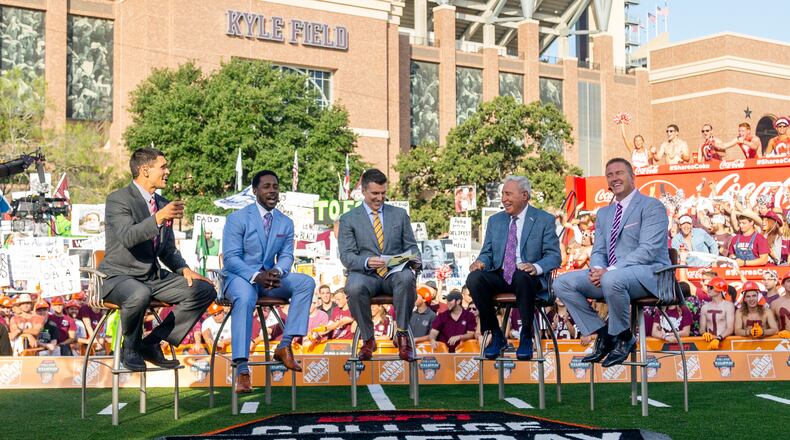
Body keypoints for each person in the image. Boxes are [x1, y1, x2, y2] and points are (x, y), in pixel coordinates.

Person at [99, 148, 215, 372]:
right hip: (118, 277)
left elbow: (167, 250)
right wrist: (159, 217)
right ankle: (130, 347)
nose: (168, 171)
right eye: (163, 167)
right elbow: (128, 236)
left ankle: (151, 344)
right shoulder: (118, 199)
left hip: (152, 277)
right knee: (138, 293)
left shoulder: (162, 203)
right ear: (144, 170)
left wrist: (183, 269)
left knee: (204, 290)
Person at [554, 158, 670, 367]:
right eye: (610, 175)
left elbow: (648, 250)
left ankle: (623, 338)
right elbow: (598, 250)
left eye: (619, 173)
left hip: (649, 275)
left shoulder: (652, 206)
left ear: (632, 176)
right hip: (612, 276)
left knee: (612, 279)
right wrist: (598, 269)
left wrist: (609, 270)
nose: (614, 178)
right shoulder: (605, 213)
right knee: (561, 283)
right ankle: (607, 335)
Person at [221, 170, 315, 392]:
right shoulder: (237, 218)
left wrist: (278, 272)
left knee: (306, 283)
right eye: (266, 187)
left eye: (275, 186)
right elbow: (231, 258)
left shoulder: (286, 222)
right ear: (255, 191)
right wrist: (256, 276)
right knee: (244, 297)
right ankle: (242, 369)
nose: (272, 191)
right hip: (240, 278)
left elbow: (287, 256)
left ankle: (285, 346)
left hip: (270, 280)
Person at [466, 175, 561, 361]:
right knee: (474, 279)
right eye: (502, 194)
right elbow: (487, 252)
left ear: (524, 195)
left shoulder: (544, 219)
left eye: (508, 194)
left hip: (528, 278)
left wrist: (536, 267)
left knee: (522, 275)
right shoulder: (496, 221)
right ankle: (496, 334)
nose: (503, 199)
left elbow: (554, 256)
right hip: (500, 275)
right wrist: (481, 261)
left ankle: (526, 335)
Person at [338, 168, 421, 361]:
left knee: (407, 277)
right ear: (364, 191)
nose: (380, 198)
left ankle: (401, 335)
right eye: (375, 193)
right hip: (365, 274)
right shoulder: (348, 219)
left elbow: (413, 248)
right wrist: (366, 261)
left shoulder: (399, 215)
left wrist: (414, 260)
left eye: (383, 193)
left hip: (395, 273)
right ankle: (368, 338)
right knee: (354, 286)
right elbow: (346, 256)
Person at [699, 277, 735, 350]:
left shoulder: (729, 306)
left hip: (724, 343)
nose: (708, 289)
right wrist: (704, 333)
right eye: (708, 287)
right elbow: (702, 328)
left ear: (719, 289)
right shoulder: (704, 307)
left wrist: (718, 338)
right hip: (708, 343)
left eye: (711, 287)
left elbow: (730, 328)